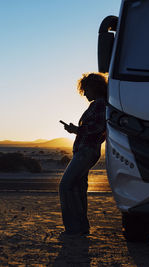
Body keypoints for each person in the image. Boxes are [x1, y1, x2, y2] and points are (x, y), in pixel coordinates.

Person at [59, 72, 107, 236]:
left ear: (94, 87)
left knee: (65, 185)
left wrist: (76, 130)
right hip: (86, 150)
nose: (85, 93)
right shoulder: (98, 104)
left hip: (87, 151)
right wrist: (76, 131)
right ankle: (81, 228)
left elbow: (98, 127)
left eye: (86, 89)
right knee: (78, 189)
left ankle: (73, 228)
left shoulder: (100, 104)